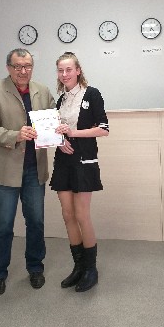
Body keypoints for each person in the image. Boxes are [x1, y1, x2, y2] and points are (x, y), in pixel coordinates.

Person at [0, 48, 55, 295]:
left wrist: (58, 129)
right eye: (18, 66)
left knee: (36, 222)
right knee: (3, 224)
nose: (23, 71)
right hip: (6, 169)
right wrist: (15, 135)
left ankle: (35, 268)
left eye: (28, 66)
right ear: (8, 68)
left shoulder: (42, 90)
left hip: (35, 168)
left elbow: (53, 119)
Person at [51, 52, 109, 292]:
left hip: (84, 161)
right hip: (63, 161)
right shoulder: (60, 100)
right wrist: (60, 141)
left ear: (78, 71)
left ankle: (91, 269)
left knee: (82, 215)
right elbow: (56, 131)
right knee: (68, 215)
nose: (64, 74)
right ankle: (78, 266)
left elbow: (103, 129)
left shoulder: (91, 94)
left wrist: (72, 134)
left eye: (69, 69)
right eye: (60, 70)